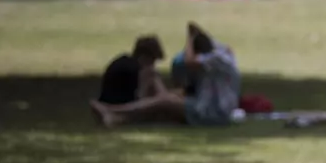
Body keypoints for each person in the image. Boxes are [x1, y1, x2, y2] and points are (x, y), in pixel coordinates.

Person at [90, 22, 241, 128]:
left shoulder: (215, 59)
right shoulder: (221, 53)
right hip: (208, 108)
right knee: (165, 105)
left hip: (212, 113)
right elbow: (203, 41)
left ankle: (113, 110)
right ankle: (116, 118)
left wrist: (189, 38)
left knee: (164, 102)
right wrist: (194, 33)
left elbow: (189, 60)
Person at [97, 35, 166, 106]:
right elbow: (138, 99)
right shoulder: (137, 71)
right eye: (153, 60)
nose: (153, 65)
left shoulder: (124, 63)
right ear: (145, 56)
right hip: (123, 109)